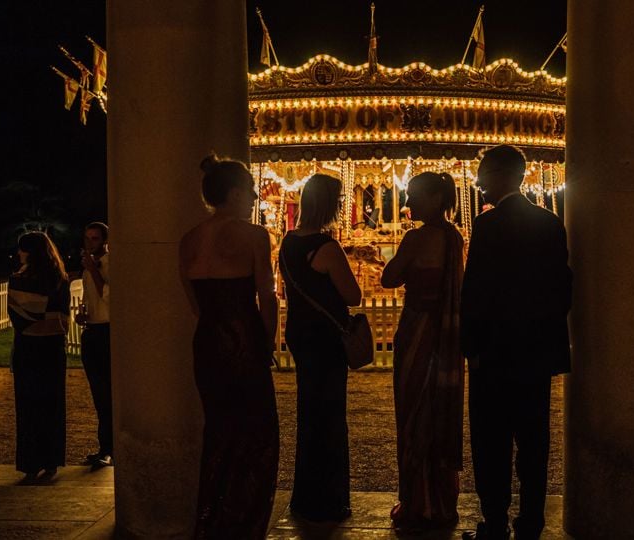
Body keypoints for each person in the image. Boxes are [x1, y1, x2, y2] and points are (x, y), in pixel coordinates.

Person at [460, 145, 571, 540]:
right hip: (535, 352)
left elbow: (475, 291)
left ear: (502, 176)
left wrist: (470, 346)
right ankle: (531, 520)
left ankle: (494, 521)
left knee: (492, 443)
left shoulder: (488, 226)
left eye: (484, 176)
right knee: (533, 440)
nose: (480, 184)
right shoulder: (549, 223)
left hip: (495, 352)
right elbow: (563, 287)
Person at [179, 155, 280, 538]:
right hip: (243, 339)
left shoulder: (188, 240)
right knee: (257, 434)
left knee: (219, 430)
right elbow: (266, 297)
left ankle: (211, 518)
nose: (255, 196)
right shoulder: (254, 236)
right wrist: (265, 340)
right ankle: (243, 523)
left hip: (207, 342)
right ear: (235, 193)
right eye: (251, 190)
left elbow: (194, 303)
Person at [381, 172, 465, 530]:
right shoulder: (454, 237)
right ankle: (441, 501)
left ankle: (418, 501)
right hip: (444, 336)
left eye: (415, 196)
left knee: (414, 413)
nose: (409, 203)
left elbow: (389, 278)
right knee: (439, 412)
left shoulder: (416, 239)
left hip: (418, 331)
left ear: (435, 198)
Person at [277, 173, 361, 522]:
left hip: (299, 331)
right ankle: (329, 496)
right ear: (328, 205)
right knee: (329, 415)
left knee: (309, 411)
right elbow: (352, 295)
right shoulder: (326, 247)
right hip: (325, 337)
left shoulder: (287, 242)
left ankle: (305, 494)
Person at [7, 231, 70, 484]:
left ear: (28, 252)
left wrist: (34, 322)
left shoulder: (18, 280)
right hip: (53, 346)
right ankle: (52, 459)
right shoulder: (60, 279)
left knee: (28, 405)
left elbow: (18, 318)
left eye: (21, 250)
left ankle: (30, 462)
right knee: (53, 404)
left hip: (28, 346)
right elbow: (63, 318)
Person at [75, 222, 113, 468]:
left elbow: (109, 295)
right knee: (98, 393)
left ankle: (109, 449)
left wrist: (93, 270)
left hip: (108, 331)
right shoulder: (87, 268)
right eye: (88, 239)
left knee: (108, 392)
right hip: (92, 328)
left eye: (95, 239)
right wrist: (82, 315)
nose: (91, 243)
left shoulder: (109, 263)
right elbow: (92, 299)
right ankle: (104, 446)